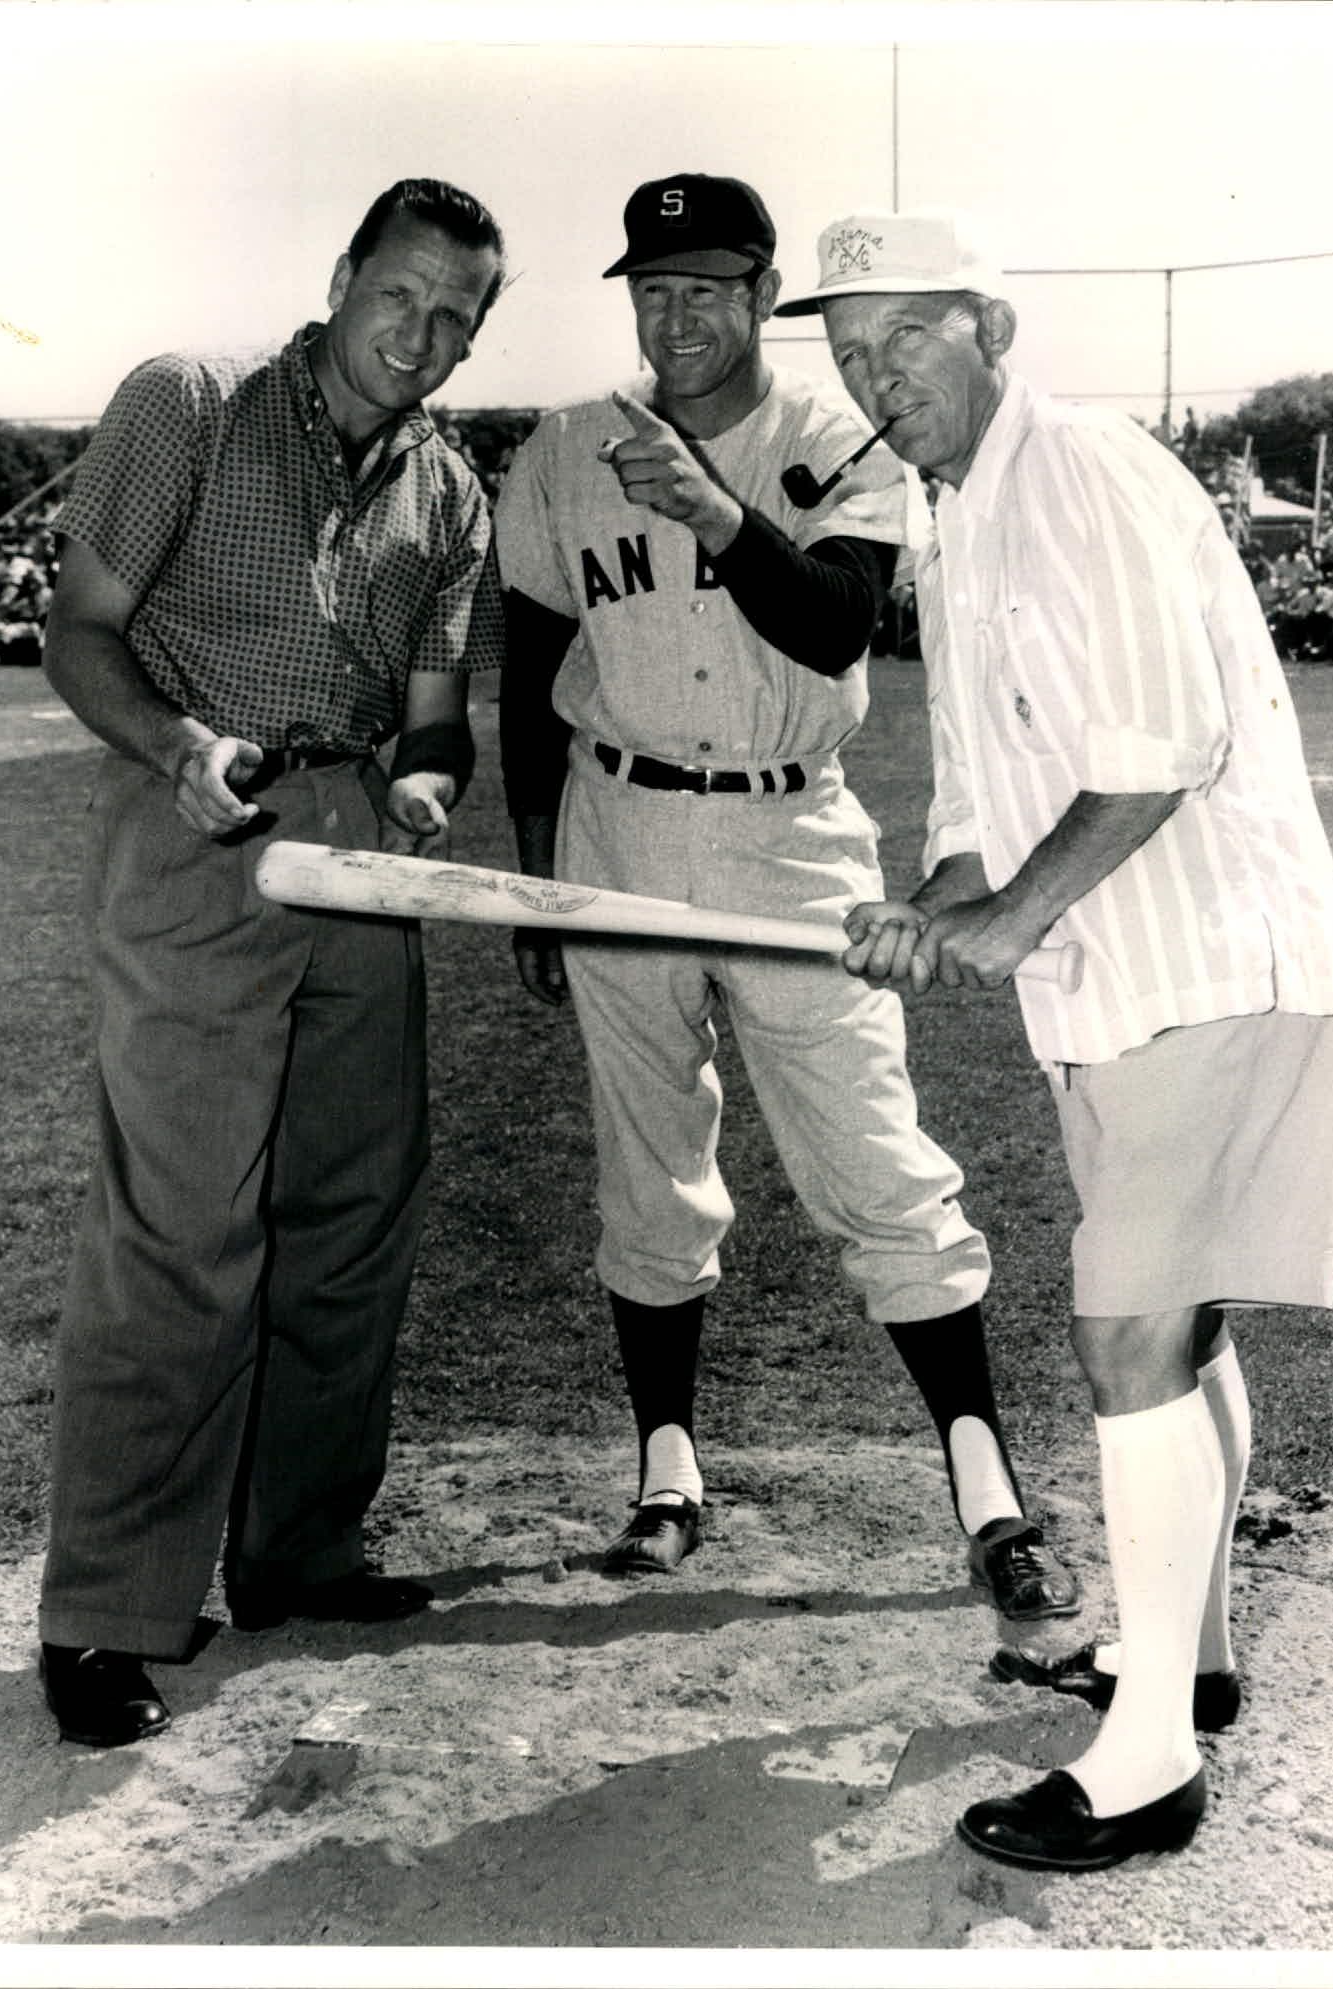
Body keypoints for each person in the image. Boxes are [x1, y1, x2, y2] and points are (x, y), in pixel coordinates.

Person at [776, 206, 1333, 1871]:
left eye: (906, 336)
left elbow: (1156, 749)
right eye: (849, 354)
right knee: (1171, 1336)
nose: (876, 376)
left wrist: (1008, 911)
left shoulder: (1086, 473)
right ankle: (1189, 1655)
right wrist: (937, 901)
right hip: (1119, 984)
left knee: (1127, 1340)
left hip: (1203, 962)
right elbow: (989, 809)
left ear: (991, 324)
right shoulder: (954, 520)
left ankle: (1146, 1763)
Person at [493, 173, 1078, 1622]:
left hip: (790, 828)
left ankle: (987, 1490)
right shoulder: (567, 449)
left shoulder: (837, 436)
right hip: (612, 828)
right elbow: (523, 670)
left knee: (878, 1163)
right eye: (653, 287)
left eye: (707, 286)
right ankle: (669, 1469)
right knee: (649, 1166)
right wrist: (530, 878)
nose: (676, 314)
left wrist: (710, 507)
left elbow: (830, 631)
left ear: (763, 299)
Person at [37, 177, 508, 1748]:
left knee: (355, 1211)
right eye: (405, 295)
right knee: (183, 1224)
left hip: (355, 837)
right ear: (342, 275)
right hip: (196, 820)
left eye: (459, 318)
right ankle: (111, 1609)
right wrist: (178, 745)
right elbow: (79, 629)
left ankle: (301, 1549)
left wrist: (429, 782)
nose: (424, 335)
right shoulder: (190, 403)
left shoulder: (451, 492)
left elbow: (437, 713)